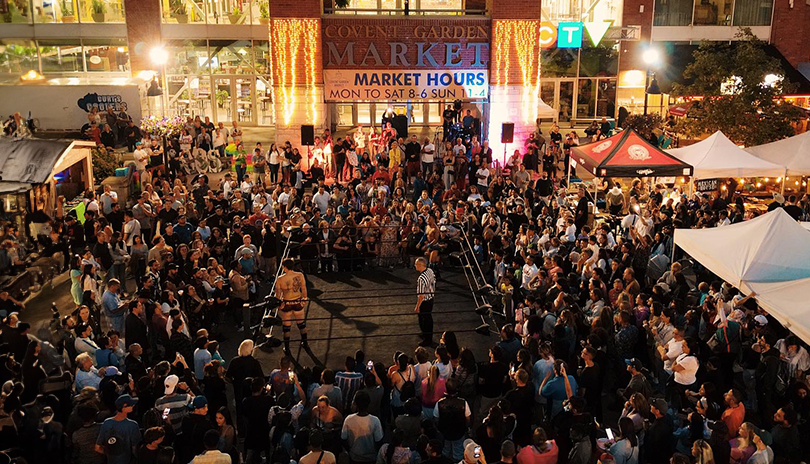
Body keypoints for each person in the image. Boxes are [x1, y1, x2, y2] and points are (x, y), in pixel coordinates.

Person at [95, 394, 142, 464]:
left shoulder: (106, 423)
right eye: (131, 404)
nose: (133, 406)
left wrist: (110, 453)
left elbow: (97, 448)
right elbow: (135, 448)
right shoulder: (133, 425)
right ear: (124, 406)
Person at [341, 390, 384, 464]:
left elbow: (343, 439)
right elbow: (379, 441)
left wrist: (350, 450)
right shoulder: (375, 421)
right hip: (371, 457)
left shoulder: (349, 419)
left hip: (354, 456)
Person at [276, 258, 309, 354]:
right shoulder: (299, 275)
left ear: (284, 267)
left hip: (287, 302)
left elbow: (278, 293)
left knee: (286, 327)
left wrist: (279, 305)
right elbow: (303, 288)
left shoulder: (280, 279)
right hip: (297, 301)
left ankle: (287, 348)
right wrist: (304, 299)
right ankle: (305, 343)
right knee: (301, 324)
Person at [414, 257, 436, 346]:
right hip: (431, 298)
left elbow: (421, 295)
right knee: (425, 318)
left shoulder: (421, 279)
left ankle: (428, 339)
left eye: (416, 264)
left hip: (425, 301)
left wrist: (417, 306)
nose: (415, 266)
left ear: (420, 265)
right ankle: (425, 334)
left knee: (426, 319)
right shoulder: (430, 270)